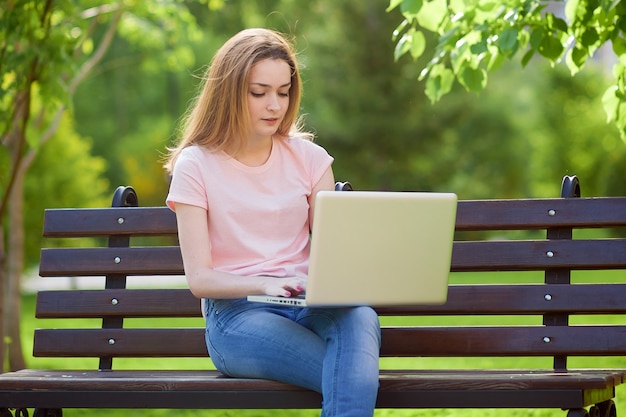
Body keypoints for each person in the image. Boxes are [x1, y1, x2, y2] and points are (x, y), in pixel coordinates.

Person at [164, 28, 381, 417]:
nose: (274, 106)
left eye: (283, 92)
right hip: (236, 317)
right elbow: (200, 279)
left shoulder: (312, 160)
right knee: (351, 373)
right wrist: (267, 283)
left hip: (308, 305)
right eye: (258, 92)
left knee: (361, 314)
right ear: (229, 92)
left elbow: (334, 251)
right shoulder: (195, 165)